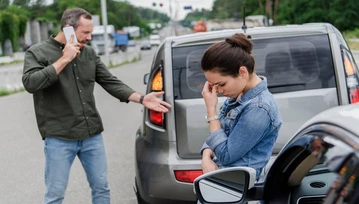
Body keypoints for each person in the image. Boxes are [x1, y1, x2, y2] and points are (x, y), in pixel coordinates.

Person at [22, 8, 171, 204]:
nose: (90, 37)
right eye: (86, 33)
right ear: (68, 29)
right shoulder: (37, 52)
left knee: (101, 189)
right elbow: (31, 83)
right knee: (55, 195)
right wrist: (65, 58)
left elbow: (110, 82)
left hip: (91, 135)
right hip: (59, 137)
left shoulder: (89, 54)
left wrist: (142, 99)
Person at [200, 33, 282, 181]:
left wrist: (211, 110)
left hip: (235, 188)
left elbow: (225, 155)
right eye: (213, 86)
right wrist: (206, 157)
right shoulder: (239, 96)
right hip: (221, 182)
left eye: (221, 84)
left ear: (242, 72)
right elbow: (218, 133)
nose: (218, 91)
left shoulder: (259, 108)